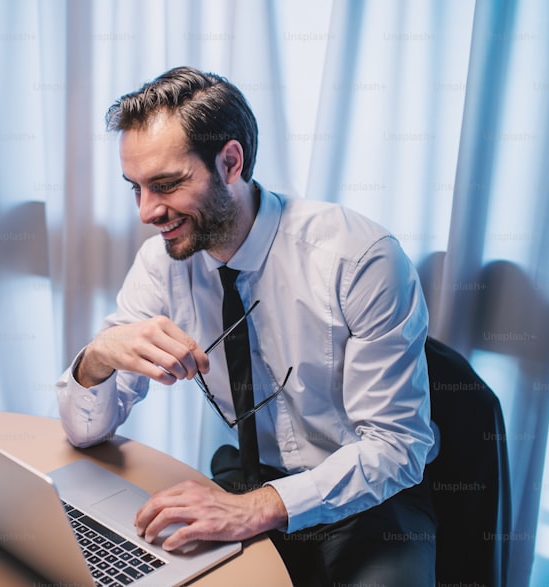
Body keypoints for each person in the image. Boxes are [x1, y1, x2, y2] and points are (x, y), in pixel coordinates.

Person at [55, 66, 438, 585]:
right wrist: (97, 357)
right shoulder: (161, 264)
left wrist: (259, 508)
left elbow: (398, 446)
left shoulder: (359, 259)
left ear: (230, 162)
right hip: (246, 477)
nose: (147, 211)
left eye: (166, 185)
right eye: (136, 189)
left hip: (367, 500)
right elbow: (83, 432)